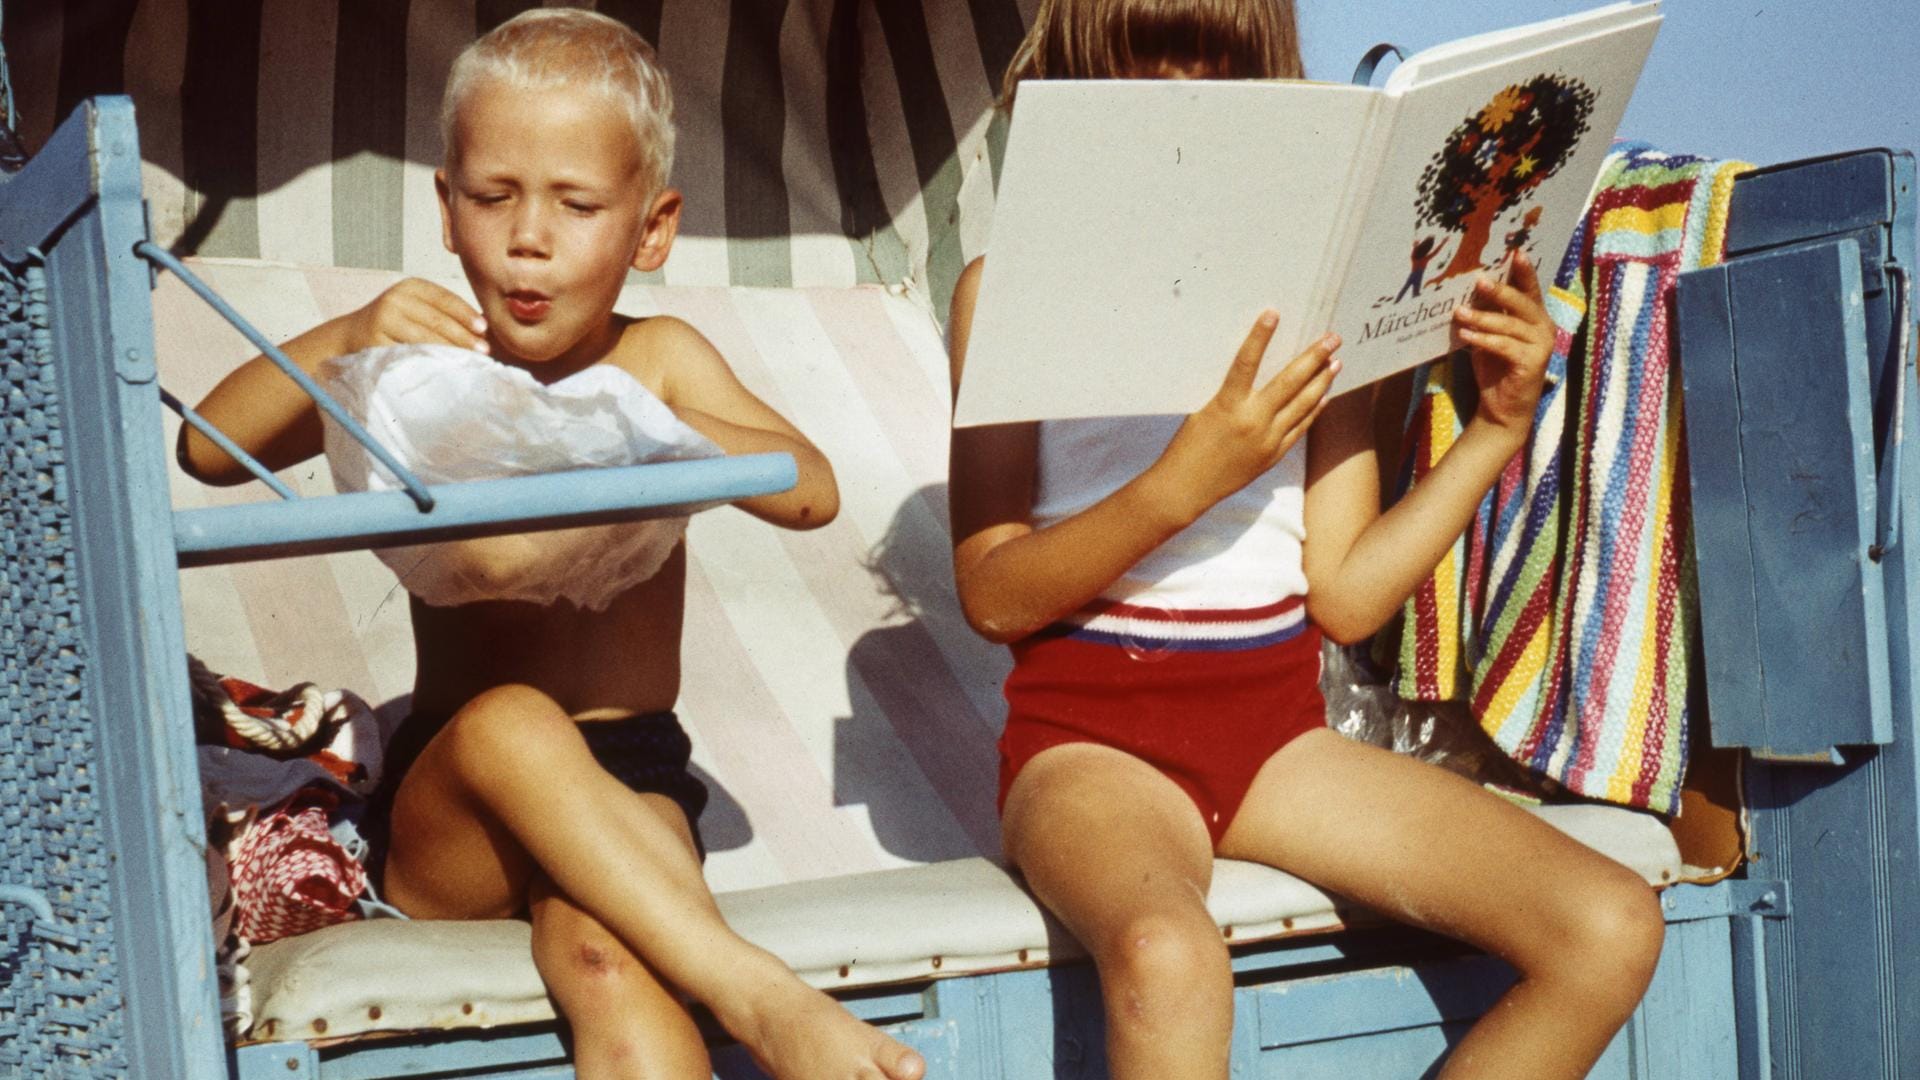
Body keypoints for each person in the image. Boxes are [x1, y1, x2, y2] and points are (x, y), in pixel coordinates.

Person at [179, 11, 925, 1080]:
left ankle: (744, 1004)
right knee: (515, 722)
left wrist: (648, 427)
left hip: (630, 768)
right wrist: (348, 339)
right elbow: (208, 449)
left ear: (652, 229)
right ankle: (766, 1001)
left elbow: (808, 492)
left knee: (611, 959)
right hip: (460, 790)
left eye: (576, 206)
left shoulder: (658, 362)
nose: (530, 237)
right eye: (493, 197)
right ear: (447, 207)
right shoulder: (423, 364)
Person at [945, 3, 1665, 1078]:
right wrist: (1187, 481)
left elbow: (1347, 597)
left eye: (1223, 63)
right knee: (1168, 955)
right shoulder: (1006, 290)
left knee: (1609, 926)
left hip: (1278, 732)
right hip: (1088, 747)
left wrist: (1499, 428)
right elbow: (995, 597)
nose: (1188, 88)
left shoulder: (1322, 301)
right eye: (1145, 60)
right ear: (1073, 79)